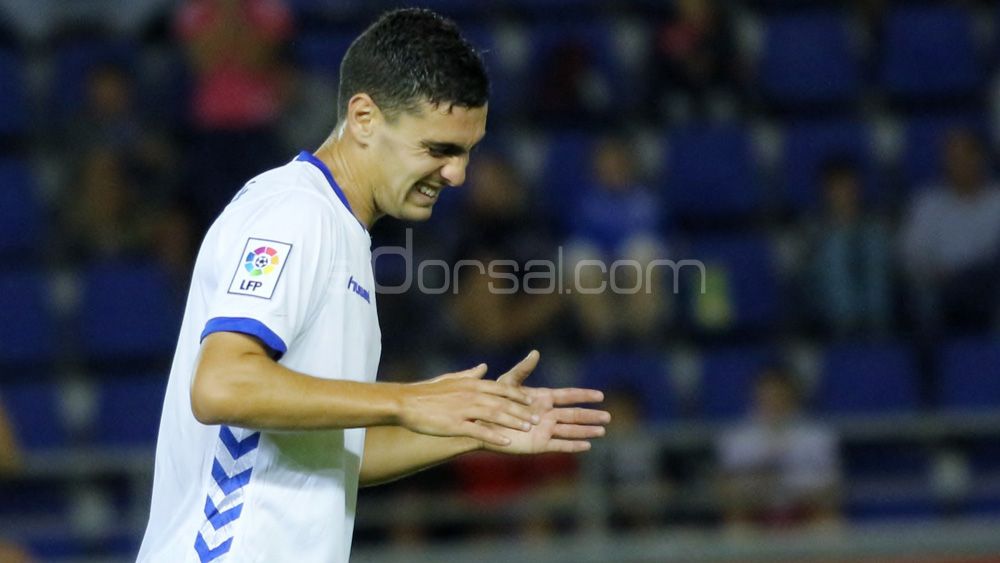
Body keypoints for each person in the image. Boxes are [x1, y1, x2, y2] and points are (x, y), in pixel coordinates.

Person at [137, 9, 610, 562]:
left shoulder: (343, 235)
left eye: (467, 151)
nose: (457, 174)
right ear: (363, 118)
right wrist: (407, 400)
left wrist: (475, 426)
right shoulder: (295, 214)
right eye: (438, 149)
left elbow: (325, 457)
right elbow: (221, 385)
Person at [899, 127, 1000, 334]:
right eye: (952, 157)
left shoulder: (996, 201)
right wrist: (935, 273)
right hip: (940, 289)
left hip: (985, 288)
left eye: (965, 156)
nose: (958, 164)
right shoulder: (927, 203)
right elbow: (910, 253)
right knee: (921, 297)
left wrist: (963, 273)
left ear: (980, 158)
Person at [716, 367, 841, 531]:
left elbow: (832, 489)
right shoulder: (736, 438)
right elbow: (726, 492)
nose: (773, 401)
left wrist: (789, 489)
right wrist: (760, 489)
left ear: (792, 396)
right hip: (754, 514)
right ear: (755, 397)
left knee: (830, 526)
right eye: (767, 395)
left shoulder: (817, 436)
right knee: (736, 529)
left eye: (779, 395)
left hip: (806, 511)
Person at [802, 158, 892, 337]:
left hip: (873, 305)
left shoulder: (875, 224)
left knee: (874, 242)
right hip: (826, 305)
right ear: (826, 192)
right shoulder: (811, 226)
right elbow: (801, 270)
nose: (844, 194)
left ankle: (877, 324)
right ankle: (846, 326)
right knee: (835, 247)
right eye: (838, 188)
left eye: (849, 187)